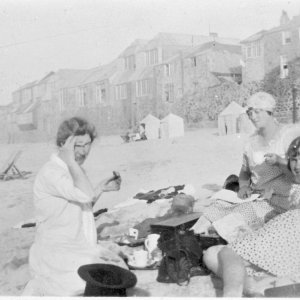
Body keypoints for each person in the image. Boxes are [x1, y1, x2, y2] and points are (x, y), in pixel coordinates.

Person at [23, 117, 127, 296]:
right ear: (64, 145)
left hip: (76, 247)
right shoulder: (52, 172)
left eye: (88, 144)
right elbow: (84, 194)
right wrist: (70, 160)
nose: (85, 151)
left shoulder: (71, 170)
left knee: (118, 271)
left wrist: (101, 188)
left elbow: (81, 206)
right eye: (78, 145)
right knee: (99, 282)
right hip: (55, 252)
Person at [203, 136, 300, 297]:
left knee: (226, 253)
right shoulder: (293, 186)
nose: (297, 166)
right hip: (287, 247)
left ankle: (233, 293)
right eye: (294, 160)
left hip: (292, 239)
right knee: (211, 254)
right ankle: (254, 287)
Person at [192, 92, 300, 233]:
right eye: (249, 113)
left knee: (240, 214)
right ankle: (193, 237)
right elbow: (244, 172)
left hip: (282, 199)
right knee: (216, 207)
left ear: (270, 112)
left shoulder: (288, 136)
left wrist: (280, 162)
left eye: (257, 111)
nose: (252, 117)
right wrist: (243, 187)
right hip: (257, 197)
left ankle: (217, 243)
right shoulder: (251, 142)